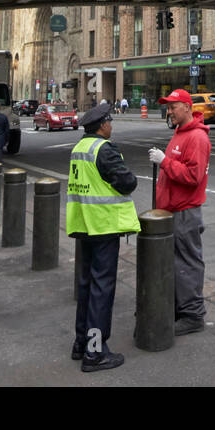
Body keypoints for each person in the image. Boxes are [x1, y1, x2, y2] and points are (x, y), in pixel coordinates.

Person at [67, 103, 139, 372]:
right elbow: (127, 181)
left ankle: (81, 342)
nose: (112, 126)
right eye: (109, 122)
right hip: (103, 226)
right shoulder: (104, 149)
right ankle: (95, 353)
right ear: (102, 125)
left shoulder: (79, 148)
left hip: (83, 224)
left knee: (86, 285)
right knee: (101, 289)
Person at [148, 89, 210, 335]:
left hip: (185, 212)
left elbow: (193, 176)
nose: (169, 111)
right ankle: (180, 308)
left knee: (187, 264)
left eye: (173, 107)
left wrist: (164, 161)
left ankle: (193, 315)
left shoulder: (196, 138)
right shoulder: (180, 133)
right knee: (176, 263)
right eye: (168, 107)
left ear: (186, 107)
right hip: (174, 210)